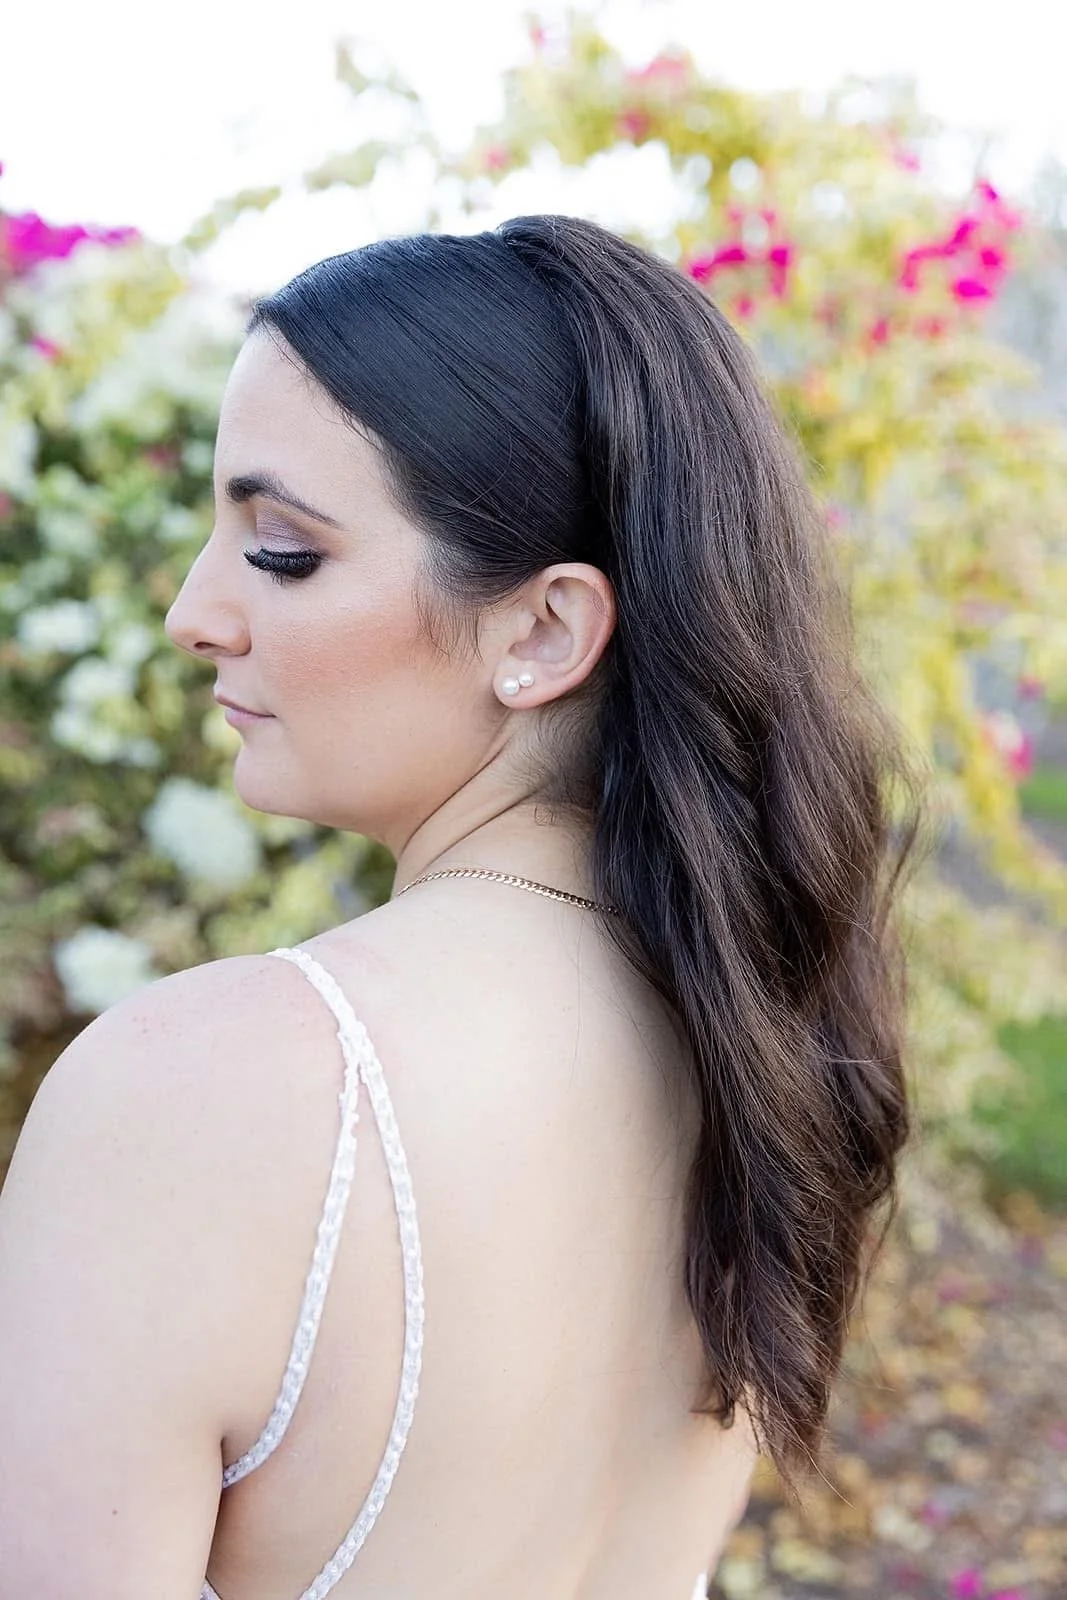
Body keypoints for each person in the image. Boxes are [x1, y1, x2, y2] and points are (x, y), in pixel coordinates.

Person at [0, 213, 923, 1599]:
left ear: (542, 631)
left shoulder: (202, 1091)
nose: (195, 612)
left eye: (282, 550)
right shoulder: (758, 1060)